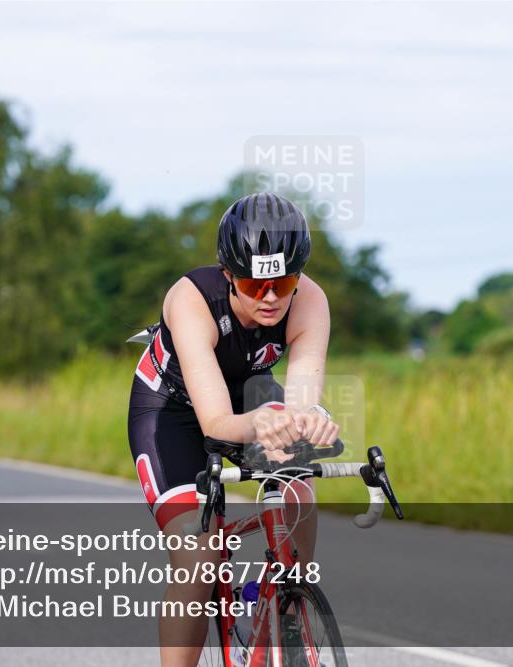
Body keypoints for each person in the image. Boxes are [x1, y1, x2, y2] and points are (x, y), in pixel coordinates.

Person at [127, 191, 339, 666]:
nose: (268, 298)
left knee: (297, 491)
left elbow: (302, 399)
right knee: (199, 558)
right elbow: (218, 424)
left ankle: (290, 603)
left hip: (251, 393)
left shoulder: (311, 301)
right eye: (252, 284)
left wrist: (309, 421)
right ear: (228, 275)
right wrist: (268, 423)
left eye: (282, 285)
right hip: (173, 410)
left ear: (299, 277)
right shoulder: (191, 299)